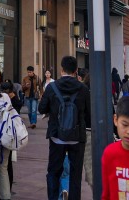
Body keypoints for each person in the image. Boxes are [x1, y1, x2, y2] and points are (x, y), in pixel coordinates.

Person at [39, 55, 90, 200]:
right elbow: (89, 114)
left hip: (56, 136)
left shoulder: (52, 87)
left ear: (62, 70)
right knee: (75, 175)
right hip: (76, 137)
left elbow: (42, 108)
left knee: (54, 172)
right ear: (76, 71)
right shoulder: (83, 88)